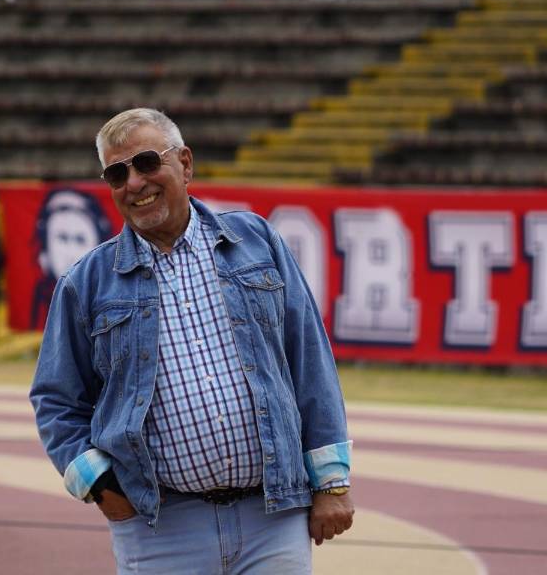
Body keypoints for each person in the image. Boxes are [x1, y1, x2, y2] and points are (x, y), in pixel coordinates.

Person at [30, 108, 354, 574]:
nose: (134, 183)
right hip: (159, 527)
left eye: (146, 163)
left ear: (184, 163)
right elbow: (56, 399)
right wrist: (100, 485)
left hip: (273, 516)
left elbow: (310, 363)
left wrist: (331, 484)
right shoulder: (86, 283)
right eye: (117, 173)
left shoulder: (257, 241)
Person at [30, 188, 112, 329]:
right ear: (44, 255)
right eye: (62, 238)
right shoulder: (39, 307)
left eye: (80, 240)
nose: (71, 251)